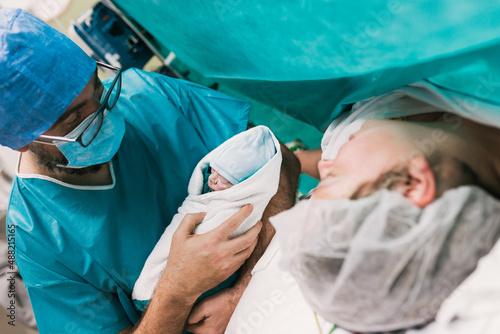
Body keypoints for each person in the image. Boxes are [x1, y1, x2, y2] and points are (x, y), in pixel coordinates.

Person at [1, 8, 300, 334]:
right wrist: (176, 290)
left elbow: (279, 158)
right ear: (22, 140)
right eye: (75, 121)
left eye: (98, 91)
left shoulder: (146, 93)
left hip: (289, 273)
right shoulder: (34, 235)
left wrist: (242, 293)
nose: (103, 117)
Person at [132, 125, 280, 311]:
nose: (213, 180)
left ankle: (149, 292)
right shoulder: (205, 189)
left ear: (245, 185)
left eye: (225, 178)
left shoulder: (239, 207)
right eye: (213, 170)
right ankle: (151, 289)